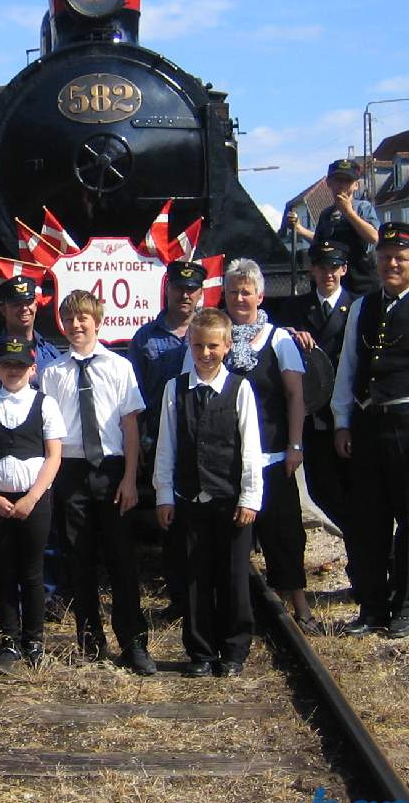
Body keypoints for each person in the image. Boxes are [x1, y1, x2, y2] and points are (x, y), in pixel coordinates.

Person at [332, 222, 409, 639]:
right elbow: (348, 367)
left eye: (401, 258)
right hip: (368, 427)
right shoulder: (362, 308)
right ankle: (371, 606)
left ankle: (405, 606)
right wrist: (343, 421)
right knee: (368, 521)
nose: (392, 264)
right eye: (385, 258)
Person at [41, 290, 151, 674]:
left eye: (83, 318)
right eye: (69, 319)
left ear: (98, 321)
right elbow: (49, 433)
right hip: (71, 472)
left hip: (112, 470)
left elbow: (130, 426)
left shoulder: (119, 368)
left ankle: (134, 642)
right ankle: (90, 641)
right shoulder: (52, 373)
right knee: (79, 561)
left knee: (122, 561)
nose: (76, 325)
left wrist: (131, 479)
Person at [154, 308, 263, 678]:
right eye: (198, 346)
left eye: (213, 346)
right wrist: (164, 495)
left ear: (228, 346)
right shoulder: (175, 389)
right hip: (190, 499)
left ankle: (234, 650)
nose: (205, 353)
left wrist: (250, 498)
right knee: (195, 578)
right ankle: (200, 651)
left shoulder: (240, 388)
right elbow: (166, 445)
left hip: (230, 501)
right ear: (190, 344)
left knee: (233, 578)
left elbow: (250, 447)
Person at [216, 258, 323, 633]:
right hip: (229, 457)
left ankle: (299, 604)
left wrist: (296, 445)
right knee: (233, 536)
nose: (239, 298)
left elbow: (295, 395)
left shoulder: (279, 340)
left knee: (285, 532)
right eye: (233, 291)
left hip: (273, 452)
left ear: (260, 295)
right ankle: (235, 609)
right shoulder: (217, 338)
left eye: (246, 291)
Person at [0, 338, 65, 671]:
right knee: (3, 570)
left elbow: (54, 455)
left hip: (34, 502)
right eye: (7, 365)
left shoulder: (45, 404)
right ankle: (9, 638)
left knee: (32, 572)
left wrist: (33, 497)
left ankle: (34, 640)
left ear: (32, 369)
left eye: (20, 365)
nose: (13, 371)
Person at [128, 259, 206, 622]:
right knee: (172, 520)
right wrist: (141, 442)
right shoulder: (145, 338)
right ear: (168, 289)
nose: (185, 294)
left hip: (206, 443)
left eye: (191, 289)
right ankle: (178, 596)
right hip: (162, 440)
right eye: (179, 288)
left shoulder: (209, 332)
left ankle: (209, 596)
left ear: (200, 293)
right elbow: (137, 395)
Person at [286, 242, 358, 553]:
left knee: (351, 488)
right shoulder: (296, 309)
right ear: (312, 270)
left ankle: (362, 557)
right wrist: (289, 332)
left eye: (334, 266)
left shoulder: (357, 308)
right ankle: (362, 537)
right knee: (320, 489)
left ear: (343, 269)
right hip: (312, 412)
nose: (328, 273)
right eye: (321, 266)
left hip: (346, 413)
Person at [289, 159, 380, 296]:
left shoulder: (363, 208)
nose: (342, 186)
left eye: (347, 181)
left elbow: (374, 237)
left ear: (356, 185)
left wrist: (349, 213)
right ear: (329, 183)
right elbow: (320, 243)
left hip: (360, 284)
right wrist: (300, 229)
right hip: (333, 284)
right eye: (338, 180)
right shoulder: (326, 214)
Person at [0, 276, 63, 401]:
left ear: (36, 305)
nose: (24, 308)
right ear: (3, 310)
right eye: (16, 304)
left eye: (28, 302)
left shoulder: (52, 354)